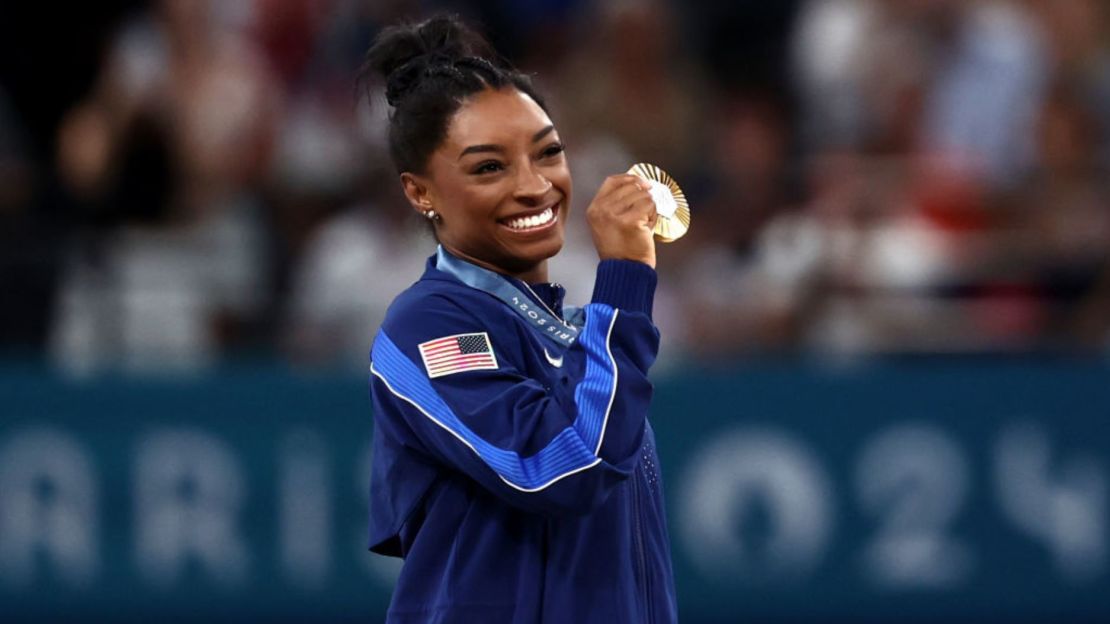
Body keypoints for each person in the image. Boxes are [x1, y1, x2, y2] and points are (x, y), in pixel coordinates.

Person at [361, 15, 678, 623]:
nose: (536, 187)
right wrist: (626, 280)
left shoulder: (584, 336)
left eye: (549, 153)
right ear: (419, 192)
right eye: (488, 167)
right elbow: (563, 466)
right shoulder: (426, 324)